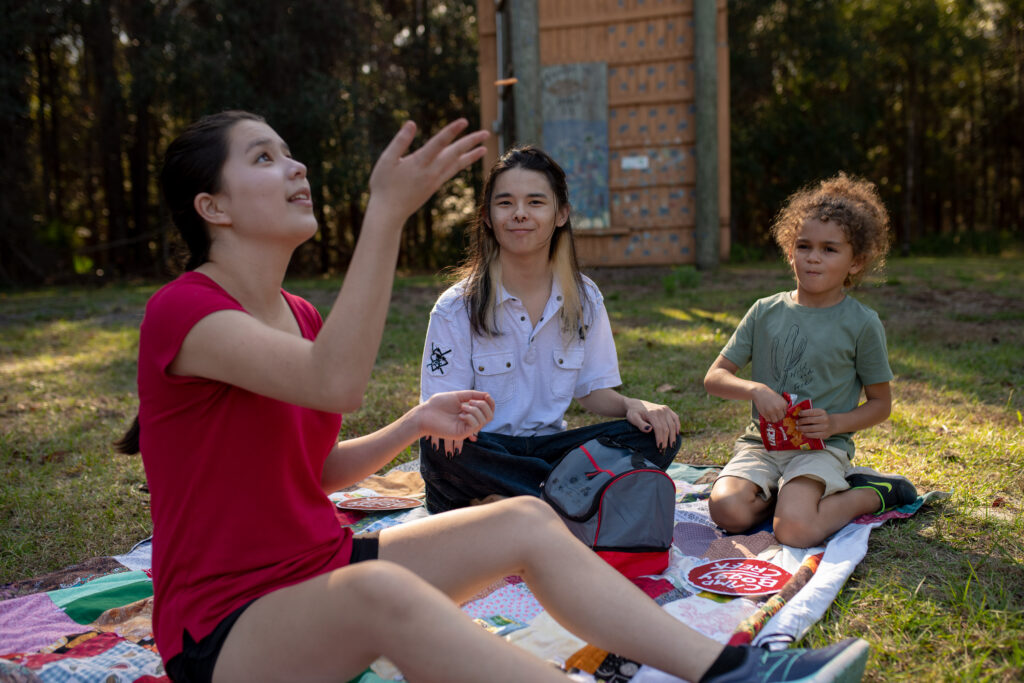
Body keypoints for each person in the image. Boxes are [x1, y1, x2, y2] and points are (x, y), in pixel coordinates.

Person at [116, 110, 871, 683]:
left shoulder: (301, 317)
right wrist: (386, 213)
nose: (295, 166)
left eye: (288, 151)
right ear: (212, 206)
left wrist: (412, 422)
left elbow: (315, 473)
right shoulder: (183, 312)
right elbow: (334, 381)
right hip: (222, 629)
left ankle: (734, 672)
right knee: (381, 589)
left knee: (527, 517)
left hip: (319, 564)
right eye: (263, 157)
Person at [418, 145, 681, 513]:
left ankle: (509, 503)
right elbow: (436, 417)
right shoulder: (455, 307)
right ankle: (568, 500)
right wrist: (457, 425)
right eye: (505, 203)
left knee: (661, 437)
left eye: (535, 202)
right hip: (485, 450)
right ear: (489, 217)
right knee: (437, 450)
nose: (520, 214)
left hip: (555, 451)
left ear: (561, 214)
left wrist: (633, 405)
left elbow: (592, 392)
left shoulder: (585, 298)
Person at [704, 173, 918, 549]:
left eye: (830, 249)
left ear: (856, 262)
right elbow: (715, 377)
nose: (814, 257)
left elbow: (881, 404)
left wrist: (835, 422)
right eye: (804, 246)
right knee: (726, 511)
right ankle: (783, 499)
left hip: (822, 449)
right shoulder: (765, 311)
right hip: (761, 445)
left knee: (796, 532)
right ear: (790, 251)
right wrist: (755, 389)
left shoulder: (862, 323)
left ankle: (873, 492)